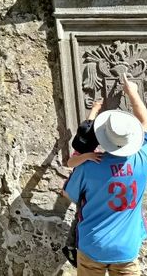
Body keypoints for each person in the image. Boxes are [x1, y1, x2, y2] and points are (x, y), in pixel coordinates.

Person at [62, 76, 147, 275]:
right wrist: (132, 92)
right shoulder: (143, 159)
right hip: (126, 248)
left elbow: (68, 195)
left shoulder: (89, 166)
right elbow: (146, 123)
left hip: (92, 245)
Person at [61, 99, 104, 267]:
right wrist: (87, 157)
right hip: (81, 189)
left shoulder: (85, 138)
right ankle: (71, 247)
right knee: (79, 217)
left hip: (85, 186)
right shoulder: (81, 152)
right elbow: (70, 163)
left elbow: (88, 124)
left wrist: (95, 108)